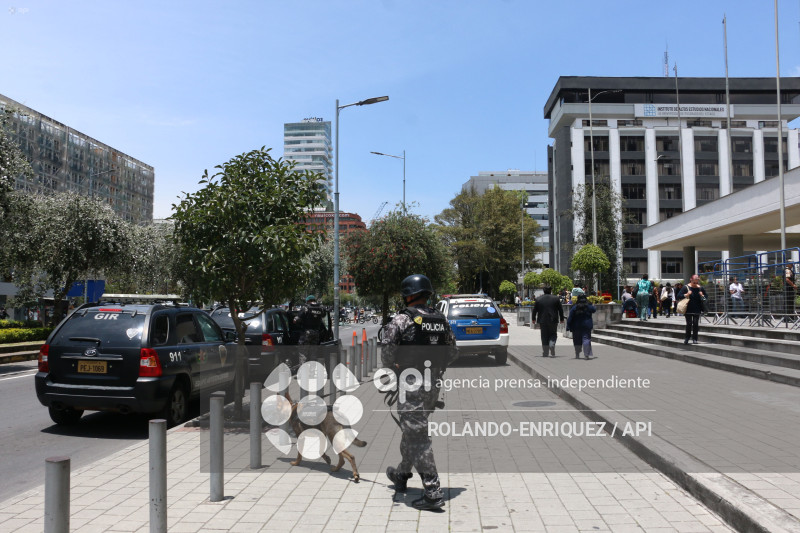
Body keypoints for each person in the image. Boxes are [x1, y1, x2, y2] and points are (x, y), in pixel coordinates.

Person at [381, 274, 457, 511]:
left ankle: (433, 491)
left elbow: (387, 355)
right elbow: (453, 352)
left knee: (418, 437)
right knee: (413, 431)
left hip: (410, 385)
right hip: (433, 385)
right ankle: (402, 475)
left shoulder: (401, 321)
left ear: (408, 295)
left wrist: (395, 368)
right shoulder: (441, 319)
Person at [531, 285, 565, 357]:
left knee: (544, 336)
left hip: (542, 320)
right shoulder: (556, 299)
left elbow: (534, 310)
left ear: (543, 291)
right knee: (553, 334)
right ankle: (552, 344)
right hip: (553, 320)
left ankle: (545, 352)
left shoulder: (538, 299)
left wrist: (533, 318)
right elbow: (560, 310)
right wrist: (562, 319)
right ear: (550, 290)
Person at [293, 295, 325, 364]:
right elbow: (323, 315)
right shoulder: (321, 308)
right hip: (316, 333)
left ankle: (303, 370)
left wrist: (296, 321)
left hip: (306, 333)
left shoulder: (306, 308)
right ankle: (312, 371)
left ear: (308, 301)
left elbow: (296, 320)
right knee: (313, 354)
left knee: (303, 353)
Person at [677, 274, 708, 344]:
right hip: (688, 308)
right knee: (689, 323)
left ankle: (695, 338)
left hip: (697, 308)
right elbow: (678, 296)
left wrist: (702, 295)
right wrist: (686, 294)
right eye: (694, 282)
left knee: (695, 323)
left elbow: (706, 297)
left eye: (697, 282)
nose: (695, 284)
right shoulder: (686, 287)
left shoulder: (700, 288)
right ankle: (687, 338)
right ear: (691, 280)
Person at [566, 294, 596, 359]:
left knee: (577, 341)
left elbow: (570, 318)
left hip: (576, 327)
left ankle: (577, 353)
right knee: (586, 339)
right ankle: (586, 354)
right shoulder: (588, 306)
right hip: (586, 326)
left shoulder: (574, 307)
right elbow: (594, 310)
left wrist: (568, 326)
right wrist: (593, 305)